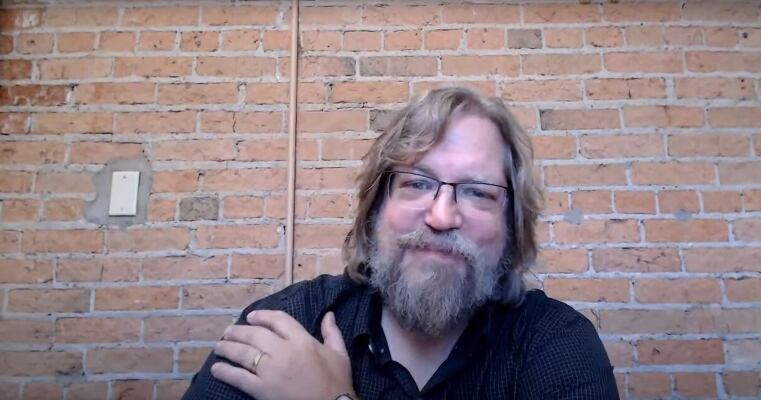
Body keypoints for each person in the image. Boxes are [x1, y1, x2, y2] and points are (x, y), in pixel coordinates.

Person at [182, 86, 619, 399]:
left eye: (478, 193)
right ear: (375, 210)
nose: (442, 216)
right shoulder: (289, 326)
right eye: (416, 183)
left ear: (512, 228)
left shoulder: (555, 344)